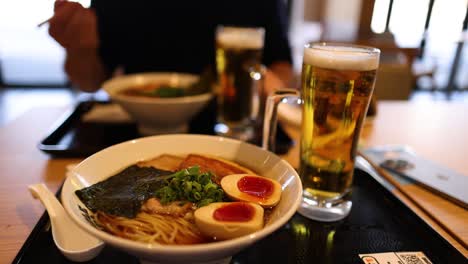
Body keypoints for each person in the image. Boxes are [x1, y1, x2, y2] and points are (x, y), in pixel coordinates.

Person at [48, 0, 293, 93]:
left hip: (228, 125)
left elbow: (282, 66)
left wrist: (271, 85)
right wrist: (80, 47)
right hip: (131, 129)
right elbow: (89, 82)